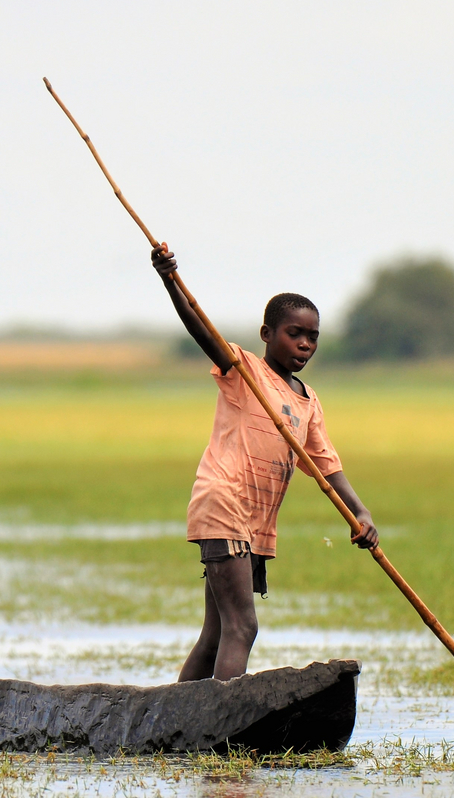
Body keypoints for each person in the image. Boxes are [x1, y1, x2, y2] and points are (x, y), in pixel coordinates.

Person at [151, 245, 379, 682]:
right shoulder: (245, 371)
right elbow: (201, 331)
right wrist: (170, 279)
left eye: (313, 337)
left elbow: (325, 463)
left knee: (216, 635)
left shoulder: (307, 400)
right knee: (244, 625)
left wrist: (359, 512)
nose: (305, 344)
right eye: (295, 334)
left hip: (256, 520)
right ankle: (219, 723)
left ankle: (180, 716)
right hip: (224, 502)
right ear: (267, 333)